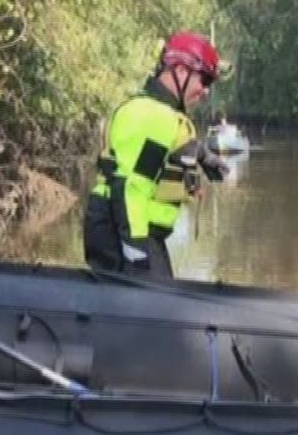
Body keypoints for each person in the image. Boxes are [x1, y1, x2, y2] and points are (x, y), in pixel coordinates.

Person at [83, 32, 227, 278]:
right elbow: (131, 188)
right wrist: (136, 253)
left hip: (128, 229)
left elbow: (168, 148)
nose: (205, 91)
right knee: (156, 307)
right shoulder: (154, 116)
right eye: (204, 80)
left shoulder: (159, 112)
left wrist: (202, 154)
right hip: (124, 231)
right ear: (181, 71)